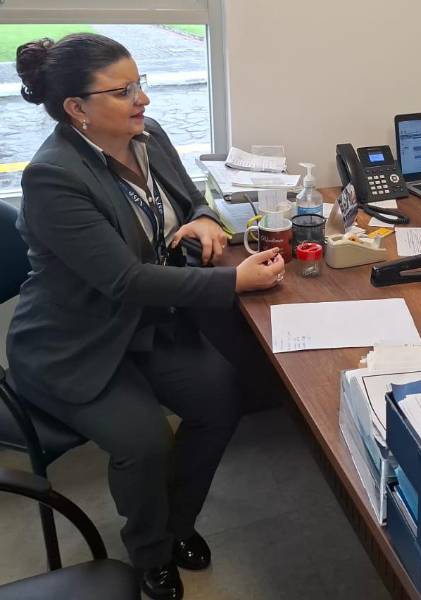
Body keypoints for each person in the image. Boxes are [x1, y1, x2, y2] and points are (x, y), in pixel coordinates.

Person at [8, 33, 285, 599]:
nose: (144, 101)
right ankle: (151, 552)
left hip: (146, 325)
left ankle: (176, 523)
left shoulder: (146, 136)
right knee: (144, 441)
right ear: (76, 109)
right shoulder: (53, 177)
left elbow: (192, 199)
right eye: (124, 90)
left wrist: (207, 220)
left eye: (141, 85)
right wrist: (233, 280)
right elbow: (124, 280)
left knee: (222, 396)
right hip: (75, 342)